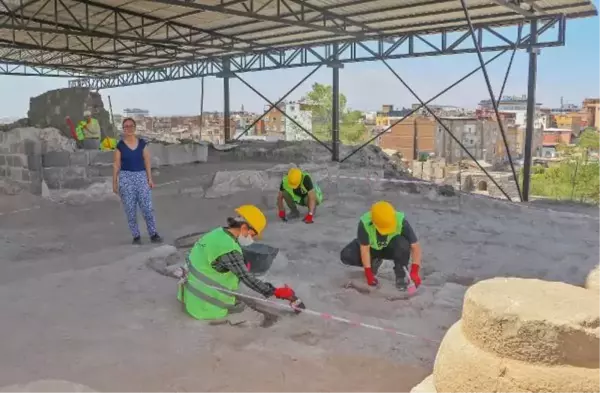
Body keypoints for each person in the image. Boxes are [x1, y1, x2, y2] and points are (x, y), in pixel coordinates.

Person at [178, 205, 299, 320]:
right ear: (244, 228)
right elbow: (248, 279)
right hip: (207, 305)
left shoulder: (217, 233)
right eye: (252, 235)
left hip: (191, 294)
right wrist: (276, 291)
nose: (252, 239)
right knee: (250, 316)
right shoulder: (228, 249)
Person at [340, 201, 422, 292]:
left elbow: (415, 246)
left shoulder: (401, 221)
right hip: (372, 249)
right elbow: (365, 249)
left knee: (403, 244)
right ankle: (374, 262)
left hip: (391, 249)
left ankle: (401, 276)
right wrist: (368, 273)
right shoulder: (365, 223)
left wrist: (415, 271)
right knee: (347, 255)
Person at [112, 117, 162, 245]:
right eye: (126, 126)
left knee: (147, 208)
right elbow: (116, 165)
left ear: (135, 128)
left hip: (141, 177)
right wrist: (115, 182)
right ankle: (136, 236)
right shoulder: (120, 146)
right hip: (126, 178)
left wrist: (149, 179)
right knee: (130, 210)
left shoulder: (142, 144)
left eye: (131, 126)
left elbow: (147, 161)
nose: (128, 128)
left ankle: (153, 233)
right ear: (123, 129)